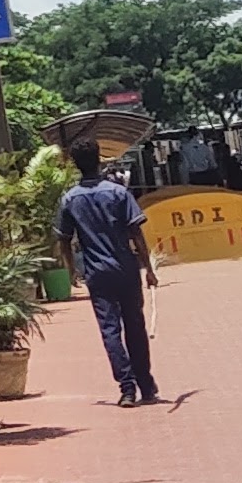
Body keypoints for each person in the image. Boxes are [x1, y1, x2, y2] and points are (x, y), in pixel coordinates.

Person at [51, 138, 163, 405]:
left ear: (76, 165)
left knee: (109, 330)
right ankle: (145, 385)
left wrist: (70, 270)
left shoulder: (70, 199)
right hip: (125, 267)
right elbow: (136, 232)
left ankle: (126, 387)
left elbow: (63, 239)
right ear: (99, 159)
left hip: (97, 272)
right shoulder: (118, 193)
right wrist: (148, 268)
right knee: (134, 326)